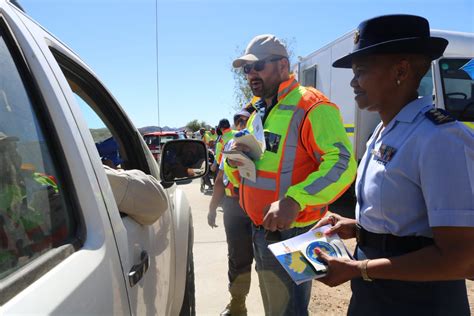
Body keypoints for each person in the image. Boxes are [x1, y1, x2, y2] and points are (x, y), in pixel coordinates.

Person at [312, 15, 474, 315]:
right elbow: (406, 228)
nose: (352, 82)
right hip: (376, 294)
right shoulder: (384, 130)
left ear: (401, 70)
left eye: (361, 71)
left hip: (419, 302)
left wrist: (358, 268)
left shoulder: (439, 139)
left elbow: (461, 259)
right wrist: (358, 229)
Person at [230, 34, 357, 315]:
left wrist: (294, 200)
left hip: (293, 232)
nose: (251, 74)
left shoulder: (311, 105)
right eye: (246, 69)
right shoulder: (258, 112)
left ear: (283, 65)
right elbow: (260, 166)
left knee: (288, 311)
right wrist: (235, 159)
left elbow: (343, 164)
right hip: (262, 229)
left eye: (258, 66)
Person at [208, 109, 253, 315]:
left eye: (245, 120)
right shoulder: (228, 144)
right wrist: (212, 208)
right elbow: (219, 179)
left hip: (260, 208)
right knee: (237, 258)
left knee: (269, 261)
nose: (241, 124)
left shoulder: (265, 144)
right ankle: (237, 304)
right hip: (234, 208)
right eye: (238, 121)